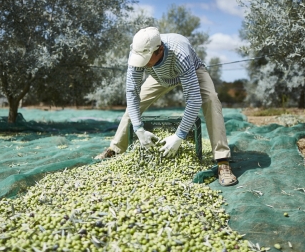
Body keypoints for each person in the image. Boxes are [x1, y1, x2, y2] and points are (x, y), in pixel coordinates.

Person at [95, 27, 237, 186]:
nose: (144, 65)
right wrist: (138, 129)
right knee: (134, 106)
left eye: (147, 59)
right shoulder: (138, 50)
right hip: (160, 76)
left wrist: (179, 136)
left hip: (191, 70)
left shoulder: (179, 53)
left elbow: (194, 100)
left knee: (211, 99)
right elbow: (131, 92)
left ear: (160, 49)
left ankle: (222, 161)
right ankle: (115, 149)